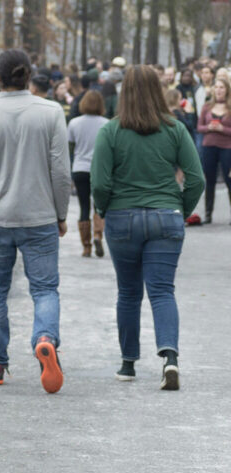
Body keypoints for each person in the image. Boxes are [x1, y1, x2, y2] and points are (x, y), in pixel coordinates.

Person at [0, 49, 71, 394]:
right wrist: (61, 213)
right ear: (29, 75)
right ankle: (46, 339)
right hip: (40, 215)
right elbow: (61, 174)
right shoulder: (51, 112)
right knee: (44, 288)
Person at [91, 65, 204, 389]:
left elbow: (100, 182)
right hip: (165, 214)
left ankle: (128, 363)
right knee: (162, 290)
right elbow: (196, 178)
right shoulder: (175, 129)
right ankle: (170, 358)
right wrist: (180, 210)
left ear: (124, 92)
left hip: (122, 217)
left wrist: (104, 208)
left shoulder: (110, 131)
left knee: (128, 292)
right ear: (158, 90)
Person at [67, 90, 109, 257]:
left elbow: (69, 149)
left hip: (80, 168)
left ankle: (86, 246)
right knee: (99, 205)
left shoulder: (74, 123)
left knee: (83, 206)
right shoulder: (106, 124)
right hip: (99, 169)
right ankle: (98, 235)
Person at [198, 76, 231, 224]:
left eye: (222, 87)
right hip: (209, 146)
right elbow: (199, 127)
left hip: (227, 147)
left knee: (229, 179)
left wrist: (222, 129)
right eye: (216, 87)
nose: (218, 90)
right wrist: (209, 127)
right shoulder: (207, 106)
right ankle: (208, 213)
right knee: (209, 180)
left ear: (227, 90)